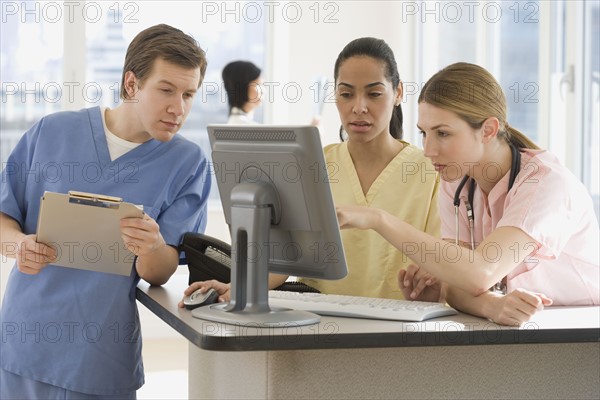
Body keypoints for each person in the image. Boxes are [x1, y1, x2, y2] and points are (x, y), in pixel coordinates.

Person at [0, 24, 211, 398]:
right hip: (25, 342)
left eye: (188, 94)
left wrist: (151, 246)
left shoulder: (187, 163)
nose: (178, 108)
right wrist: (18, 244)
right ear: (132, 84)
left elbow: (161, 272)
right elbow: (4, 216)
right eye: (166, 90)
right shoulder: (52, 132)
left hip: (100, 355)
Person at [179, 37, 440, 306]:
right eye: (346, 94)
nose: (358, 107)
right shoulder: (313, 165)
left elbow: (443, 264)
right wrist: (234, 288)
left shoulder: (431, 172)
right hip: (320, 325)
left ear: (398, 93)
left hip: (400, 331)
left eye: (374, 94)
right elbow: (287, 257)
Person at [336, 62, 600, 326]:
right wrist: (489, 305)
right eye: (424, 133)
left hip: (581, 329)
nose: (428, 150)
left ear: (488, 130)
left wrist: (379, 219)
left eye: (442, 133)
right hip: (527, 329)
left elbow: (480, 272)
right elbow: (455, 284)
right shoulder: (458, 181)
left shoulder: (545, 184)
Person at [221, 60, 263, 124]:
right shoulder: (245, 126)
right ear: (243, 88)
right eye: (257, 84)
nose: (263, 91)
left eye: (262, 84)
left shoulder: (235, 121)